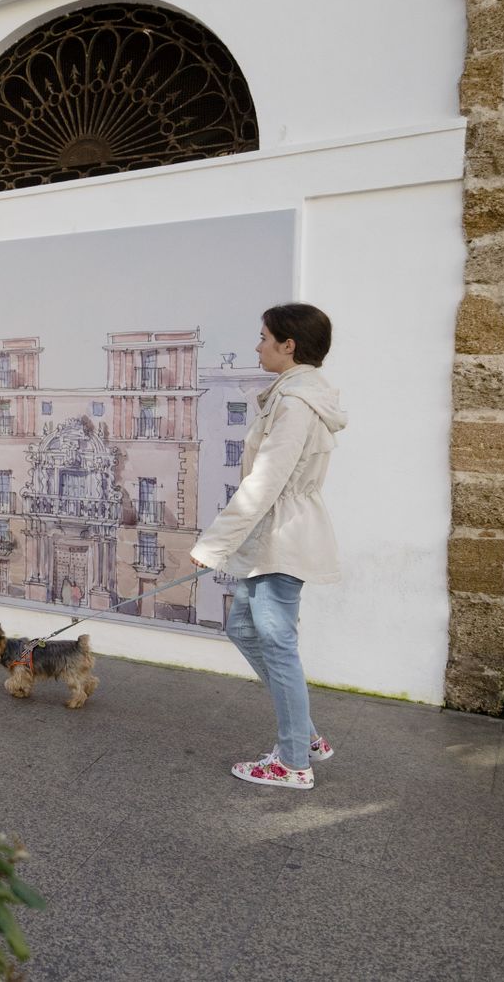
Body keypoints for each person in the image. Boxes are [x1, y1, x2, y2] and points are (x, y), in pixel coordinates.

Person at [191, 303, 346, 792]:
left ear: (288, 345)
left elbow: (265, 482)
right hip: (272, 538)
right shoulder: (292, 395)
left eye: (263, 337)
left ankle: (293, 762)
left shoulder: (295, 404)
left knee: (278, 646)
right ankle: (306, 736)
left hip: (283, 538)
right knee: (242, 626)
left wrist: (213, 545)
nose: (257, 346)